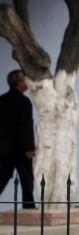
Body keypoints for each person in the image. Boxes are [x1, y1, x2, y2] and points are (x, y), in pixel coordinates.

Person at [0, 70, 36, 209]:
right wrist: (29, 148)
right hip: (21, 150)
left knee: (2, 178)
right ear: (19, 82)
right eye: (24, 79)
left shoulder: (1, 100)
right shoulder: (24, 101)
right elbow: (26, 126)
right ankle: (29, 207)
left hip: (4, 150)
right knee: (27, 181)